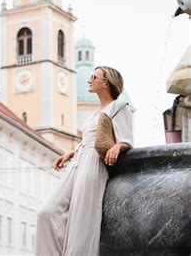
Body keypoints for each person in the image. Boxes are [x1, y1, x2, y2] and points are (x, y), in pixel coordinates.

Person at [34, 66, 134, 256]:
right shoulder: (96, 112)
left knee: (81, 222)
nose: (89, 80)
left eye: (94, 77)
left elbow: (127, 139)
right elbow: (88, 140)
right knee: (46, 212)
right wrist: (71, 153)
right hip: (79, 160)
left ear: (105, 83)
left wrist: (117, 146)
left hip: (94, 164)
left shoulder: (120, 107)